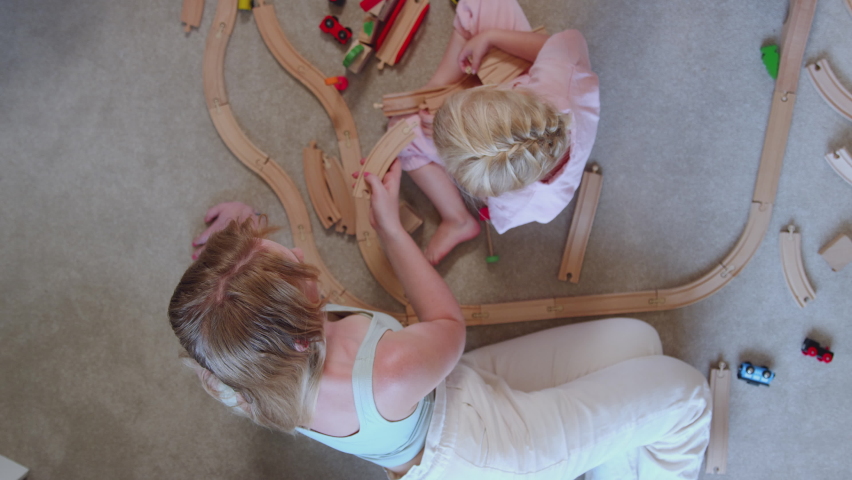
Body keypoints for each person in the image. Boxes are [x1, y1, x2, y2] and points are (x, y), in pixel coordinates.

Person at [168, 161, 711, 480]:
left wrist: (235, 242)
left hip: (450, 392)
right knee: (685, 393)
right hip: (480, 451)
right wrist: (391, 230)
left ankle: (605, 452)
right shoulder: (391, 367)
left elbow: (220, 306)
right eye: (285, 263)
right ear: (291, 335)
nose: (290, 251)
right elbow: (445, 319)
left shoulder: (235, 360)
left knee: (639, 342)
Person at [389, 0, 600, 264]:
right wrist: (491, 37)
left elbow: (489, 189)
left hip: (505, 152)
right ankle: (436, 90)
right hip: (524, 104)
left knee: (398, 131)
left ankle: (457, 218)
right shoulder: (561, 78)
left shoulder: (518, 201)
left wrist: (438, 122)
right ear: (510, 92)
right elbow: (554, 45)